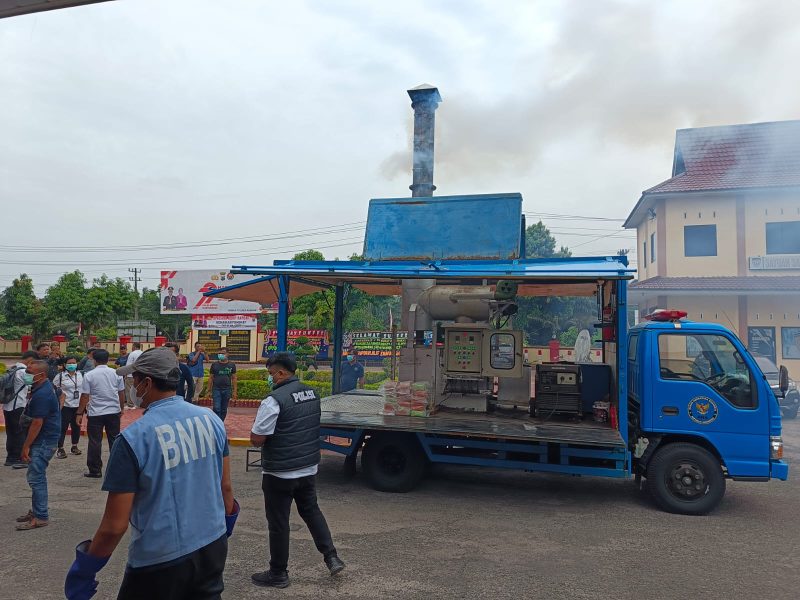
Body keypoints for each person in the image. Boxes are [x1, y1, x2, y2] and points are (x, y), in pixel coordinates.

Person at [64, 347, 240, 600]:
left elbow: (115, 526)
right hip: (212, 545)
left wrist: (85, 568)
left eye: (133, 379)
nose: (132, 386)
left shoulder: (133, 438)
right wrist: (226, 525)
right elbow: (225, 487)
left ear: (146, 382)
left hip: (160, 559)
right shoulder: (210, 419)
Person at [250, 352, 344, 588]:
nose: (270, 378)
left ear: (281, 373)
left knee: (279, 522)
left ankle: (278, 573)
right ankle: (331, 557)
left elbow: (257, 439)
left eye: (271, 374)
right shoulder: (312, 393)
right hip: (308, 467)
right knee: (311, 511)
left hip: (280, 472)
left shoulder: (274, 400)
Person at [16, 360, 60, 530]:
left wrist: (26, 446)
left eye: (29, 371)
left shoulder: (43, 394)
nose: (26, 374)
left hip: (43, 440)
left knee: (36, 477)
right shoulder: (41, 387)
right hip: (44, 438)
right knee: (35, 476)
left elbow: (37, 423)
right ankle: (36, 511)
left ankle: (41, 516)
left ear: (40, 375)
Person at [76, 349, 125, 479]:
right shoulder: (116, 373)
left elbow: (85, 396)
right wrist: (121, 408)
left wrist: (79, 412)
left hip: (96, 412)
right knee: (114, 440)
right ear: (108, 359)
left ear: (94, 360)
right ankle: (117, 468)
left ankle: (95, 470)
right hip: (113, 411)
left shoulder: (89, 375)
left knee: (94, 441)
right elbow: (121, 393)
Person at [4, 350, 38, 469]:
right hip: (19, 406)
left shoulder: (13, 369)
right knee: (20, 432)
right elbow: (33, 384)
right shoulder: (24, 372)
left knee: (11, 432)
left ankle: (11, 458)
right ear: (30, 360)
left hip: (8, 406)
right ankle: (20, 458)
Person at [54, 356, 84, 459]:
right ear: (65, 365)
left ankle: (74, 446)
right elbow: (54, 389)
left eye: (74, 363)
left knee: (76, 426)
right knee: (62, 427)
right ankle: (60, 448)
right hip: (65, 406)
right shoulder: (60, 376)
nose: (72, 365)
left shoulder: (81, 375)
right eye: (70, 363)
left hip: (78, 406)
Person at [208, 348, 237, 422]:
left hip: (227, 389)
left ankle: (221, 422)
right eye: (219, 353)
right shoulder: (214, 365)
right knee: (216, 408)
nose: (220, 355)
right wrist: (209, 390)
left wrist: (234, 391)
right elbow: (211, 378)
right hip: (216, 389)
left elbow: (234, 378)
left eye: (223, 353)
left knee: (224, 409)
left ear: (227, 354)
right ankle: (217, 423)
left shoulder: (232, 365)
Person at [124, 342, 144, 408]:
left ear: (134, 347)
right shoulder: (143, 353)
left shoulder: (132, 353)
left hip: (131, 375)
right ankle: (138, 404)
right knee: (139, 389)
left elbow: (129, 365)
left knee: (129, 389)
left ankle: (130, 404)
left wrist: (126, 374)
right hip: (141, 375)